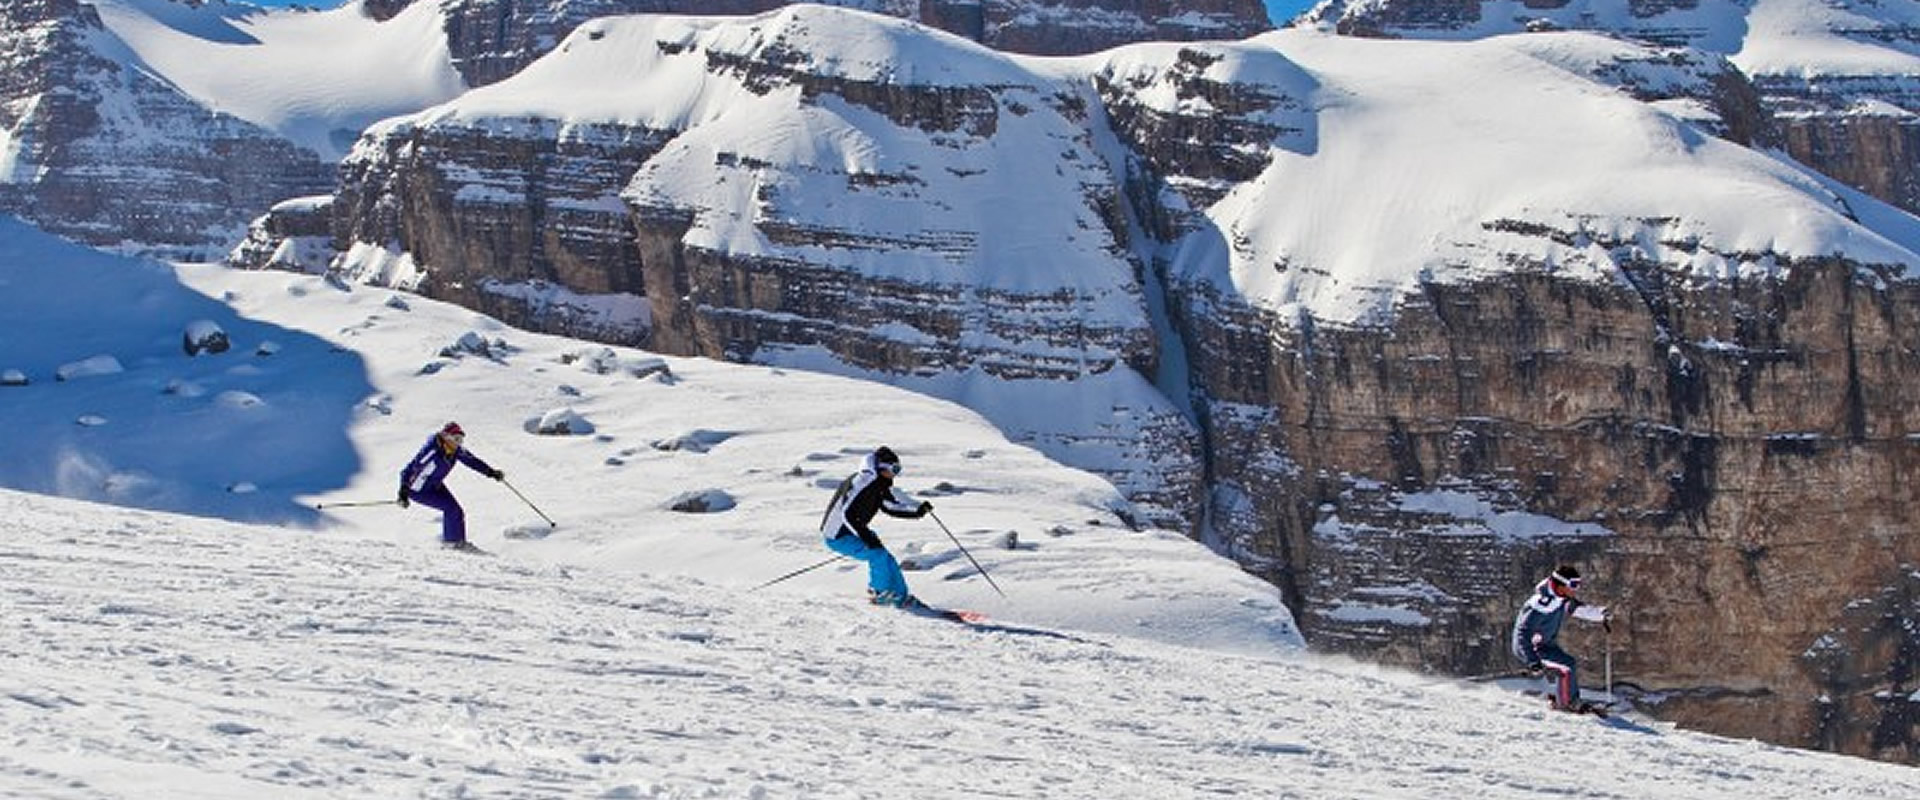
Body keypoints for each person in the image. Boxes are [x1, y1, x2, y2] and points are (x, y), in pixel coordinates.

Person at [819, 446, 933, 608]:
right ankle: (880, 593)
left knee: (886, 557)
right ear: (882, 467)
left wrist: (917, 511)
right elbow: (847, 513)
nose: (895, 474)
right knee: (877, 555)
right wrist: (866, 537)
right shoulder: (863, 481)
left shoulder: (879, 483)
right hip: (837, 535)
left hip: (852, 530)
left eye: (898, 469)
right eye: (894, 469)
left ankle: (900, 596)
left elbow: (889, 506)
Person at [1511, 564, 1610, 712]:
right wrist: (1532, 660)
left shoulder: (1561, 598)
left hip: (1546, 645)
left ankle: (1566, 699)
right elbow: (1522, 632)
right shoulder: (1540, 603)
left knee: (1569, 663)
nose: (1576, 589)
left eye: (1578, 584)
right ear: (1561, 585)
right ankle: (1567, 703)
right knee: (1565, 668)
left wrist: (1600, 615)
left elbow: (1575, 608)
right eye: (1573, 585)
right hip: (1531, 649)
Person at [399, 422, 503, 550]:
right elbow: (409, 469)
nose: (458, 442)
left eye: (461, 439)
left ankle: (458, 542)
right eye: (456, 438)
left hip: (435, 485)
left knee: (457, 511)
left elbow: (471, 460)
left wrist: (490, 472)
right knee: (451, 509)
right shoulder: (432, 451)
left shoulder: (455, 450)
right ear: (446, 436)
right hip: (419, 490)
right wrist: (403, 490)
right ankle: (452, 544)